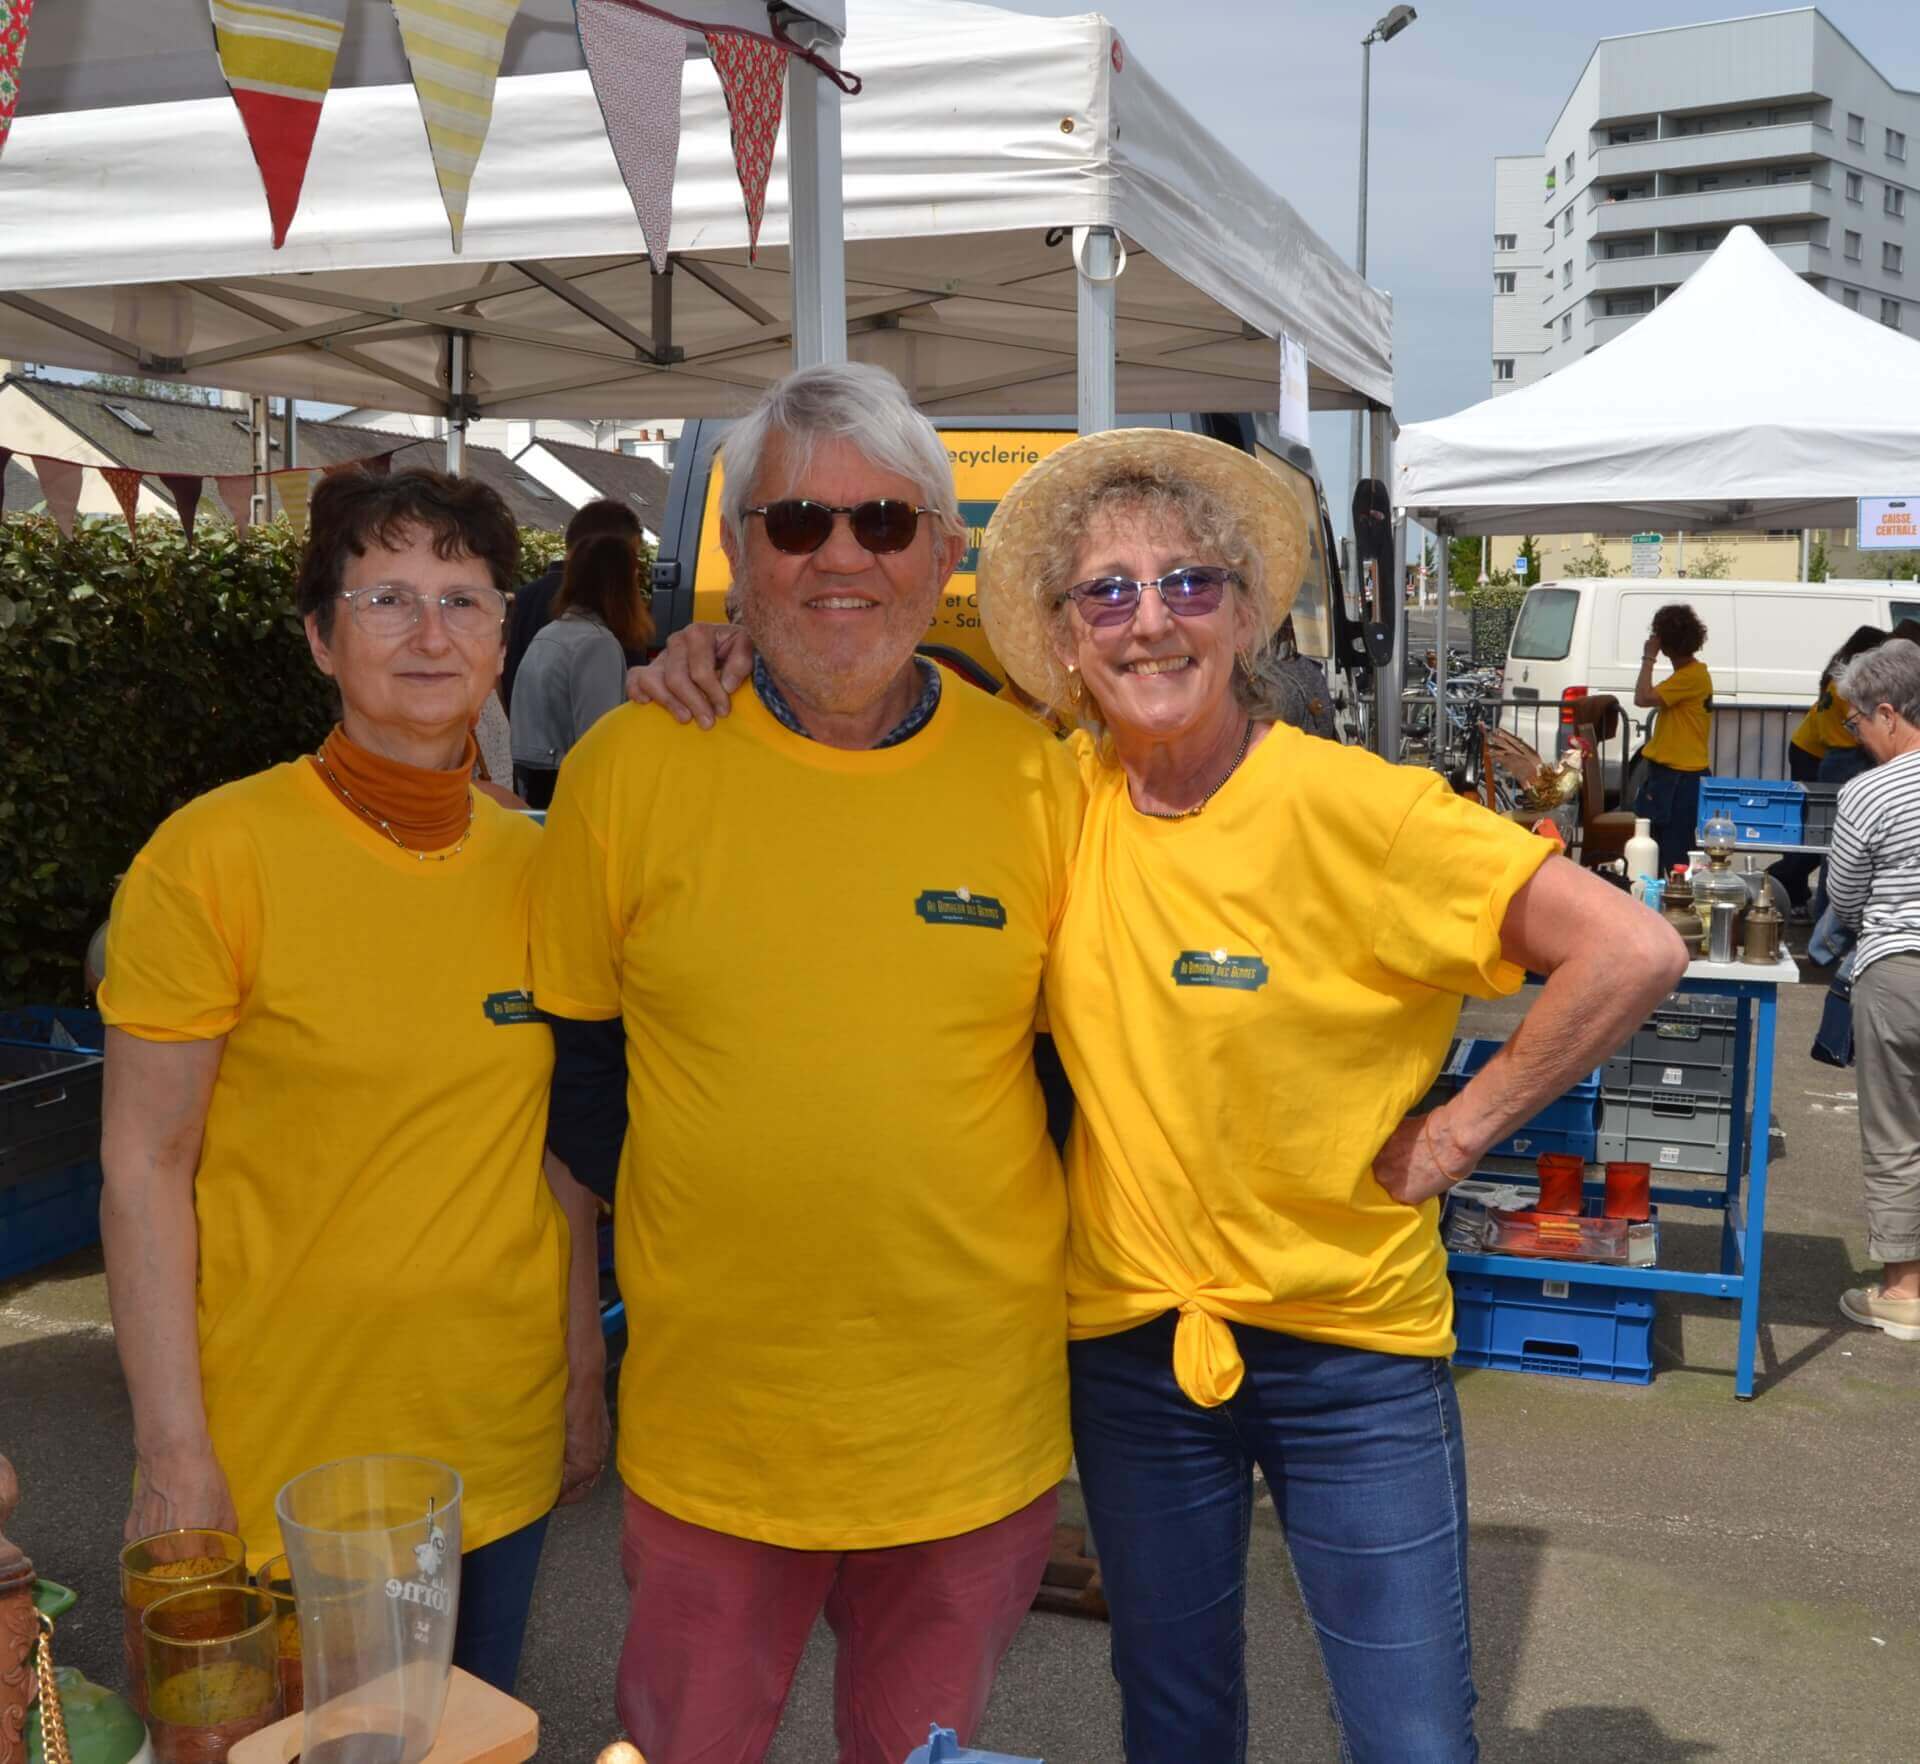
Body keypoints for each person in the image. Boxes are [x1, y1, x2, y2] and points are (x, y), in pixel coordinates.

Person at [631, 429, 1688, 1762]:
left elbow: (1633, 946)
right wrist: (714, 656)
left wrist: (1459, 1133)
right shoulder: (1047, 794)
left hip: (1348, 1348)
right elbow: (882, 720)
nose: (1151, 623)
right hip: (1134, 1350)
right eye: (1109, 595)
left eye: (1189, 585)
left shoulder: (1360, 809)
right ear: (1066, 643)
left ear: (1246, 614)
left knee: (1414, 1737)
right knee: (1177, 1723)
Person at [530, 364, 1082, 1764]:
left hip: (968, 1429)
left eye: (886, 524)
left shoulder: (1042, 782)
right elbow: (579, 1078)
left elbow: (1081, 1077)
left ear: (942, 556)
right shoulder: (625, 773)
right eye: (794, 525)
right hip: (717, 1427)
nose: (842, 557)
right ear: (736, 556)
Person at [97, 468, 608, 1694]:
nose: (430, 635)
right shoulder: (212, 858)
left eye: (465, 600)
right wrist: (173, 1455)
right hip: (285, 1460)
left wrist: (583, 1372)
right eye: (387, 599)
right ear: (323, 638)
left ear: (503, 639)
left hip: (497, 1439)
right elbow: (143, 1165)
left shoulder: (544, 868)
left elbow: (555, 1149)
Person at [1825, 637, 1920, 1343]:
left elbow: (1844, 894)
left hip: (1898, 970)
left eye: (1858, 721)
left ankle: (1904, 1292)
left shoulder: (1868, 791)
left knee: (1896, 1132)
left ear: (1889, 714)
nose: (1854, 734)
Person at [510, 531, 656, 808]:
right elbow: (599, 742)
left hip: (532, 780)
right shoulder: (597, 643)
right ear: (622, 584)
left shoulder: (551, 632)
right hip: (570, 786)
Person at [1769, 624, 1886, 914]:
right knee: (1826, 836)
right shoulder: (1851, 685)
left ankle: (1789, 888)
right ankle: (1780, 882)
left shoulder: (1838, 674)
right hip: (1827, 754)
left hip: (1816, 750)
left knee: (1820, 832)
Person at [501, 497, 646, 713]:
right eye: (634, 558)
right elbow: (604, 728)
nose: (636, 572)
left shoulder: (521, 601)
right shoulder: (610, 620)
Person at [1633, 601, 1714, 876]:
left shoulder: (1690, 677)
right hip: (1677, 774)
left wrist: (1648, 657)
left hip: (1677, 776)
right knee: (1666, 850)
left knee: (1673, 854)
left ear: (1665, 644)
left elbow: (1642, 697)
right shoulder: (1691, 675)